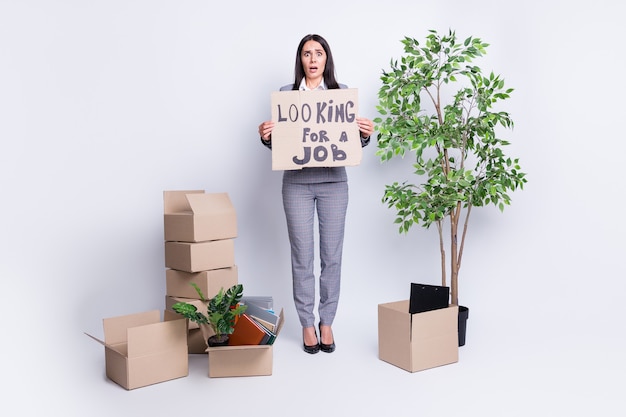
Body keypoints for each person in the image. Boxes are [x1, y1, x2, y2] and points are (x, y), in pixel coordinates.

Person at [257, 34, 374, 354]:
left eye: (318, 53)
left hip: (334, 183)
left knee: (332, 256)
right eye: (307, 53)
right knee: (302, 257)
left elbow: (348, 145)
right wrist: (266, 137)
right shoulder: (286, 95)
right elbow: (280, 145)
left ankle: (327, 322)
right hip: (296, 185)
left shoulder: (340, 95)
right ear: (301, 60)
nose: (312, 58)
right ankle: (307, 323)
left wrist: (364, 136)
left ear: (326, 59)